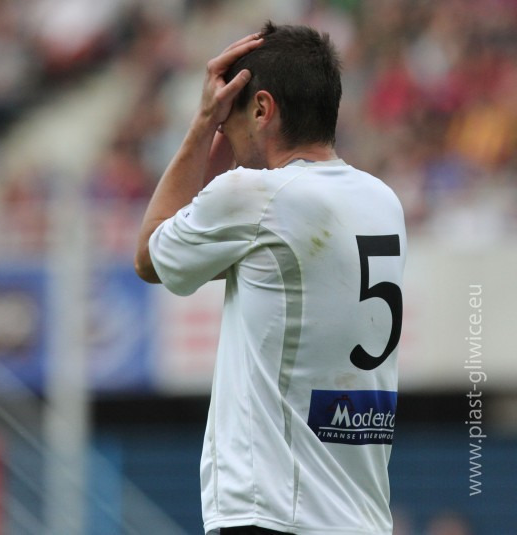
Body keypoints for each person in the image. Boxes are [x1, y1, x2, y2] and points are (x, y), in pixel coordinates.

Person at [134, 22, 406, 534]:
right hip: (361, 518)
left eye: (230, 119)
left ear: (261, 109)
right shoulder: (382, 202)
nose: (225, 134)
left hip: (274, 514)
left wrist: (202, 123)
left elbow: (150, 257)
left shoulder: (254, 196)